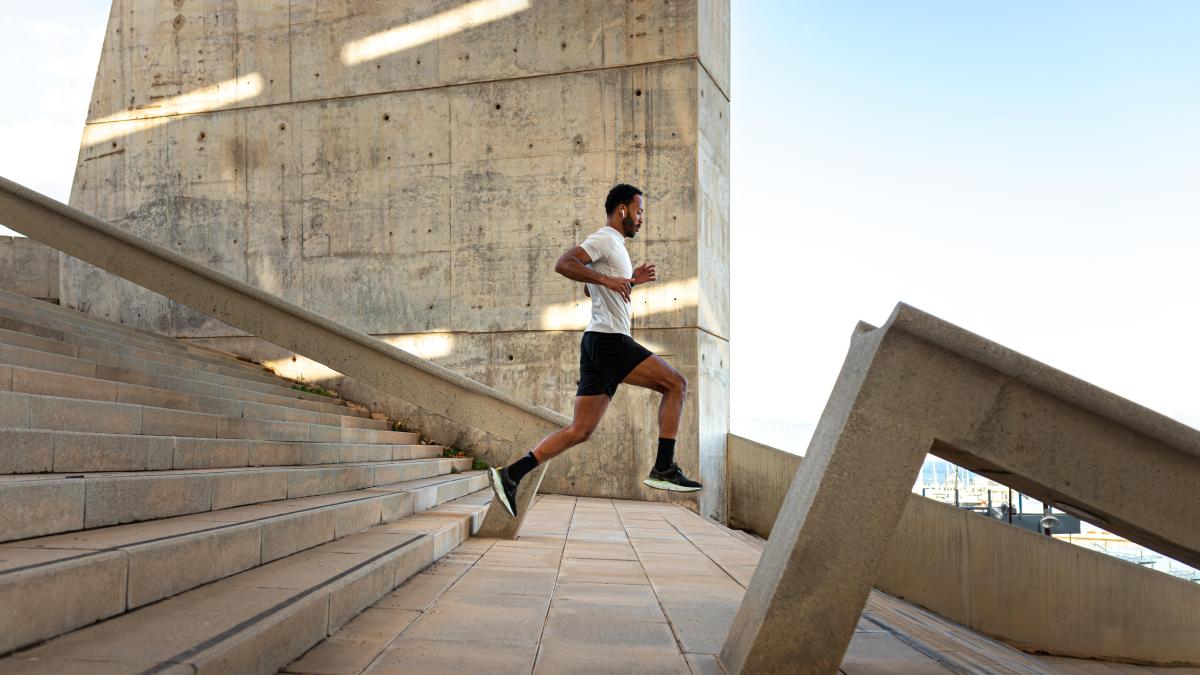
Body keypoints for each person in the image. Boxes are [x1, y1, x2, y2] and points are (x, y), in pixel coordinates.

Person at [488, 184, 702, 518]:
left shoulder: (614, 247)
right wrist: (612, 282)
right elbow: (564, 264)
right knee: (676, 384)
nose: (641, 219)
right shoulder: (604, 239)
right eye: (639, 211)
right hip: (609, 341)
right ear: (622, 210)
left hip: (596, 342)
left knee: (580, 430)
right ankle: (664, 466)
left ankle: (510, 475)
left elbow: (591, 289)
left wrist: (628, 280)